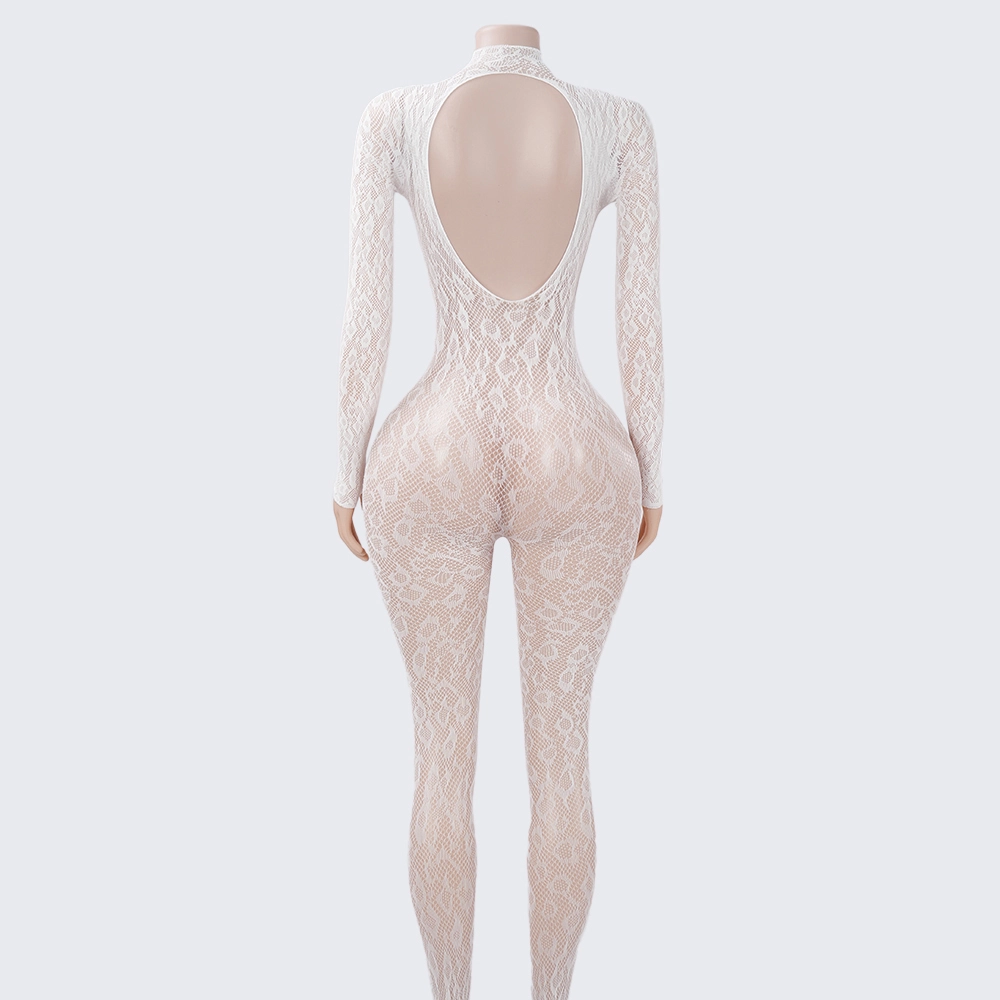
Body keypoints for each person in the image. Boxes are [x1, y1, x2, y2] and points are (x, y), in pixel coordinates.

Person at [332, 24, 663, 1000]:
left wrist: (345, 468)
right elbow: (639, 316)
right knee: (564, 767)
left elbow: (367, 311)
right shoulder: (620, 124)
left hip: (429, 449)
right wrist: (652, 473)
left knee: (439, 763)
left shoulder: (393, 117)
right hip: (575, 450)